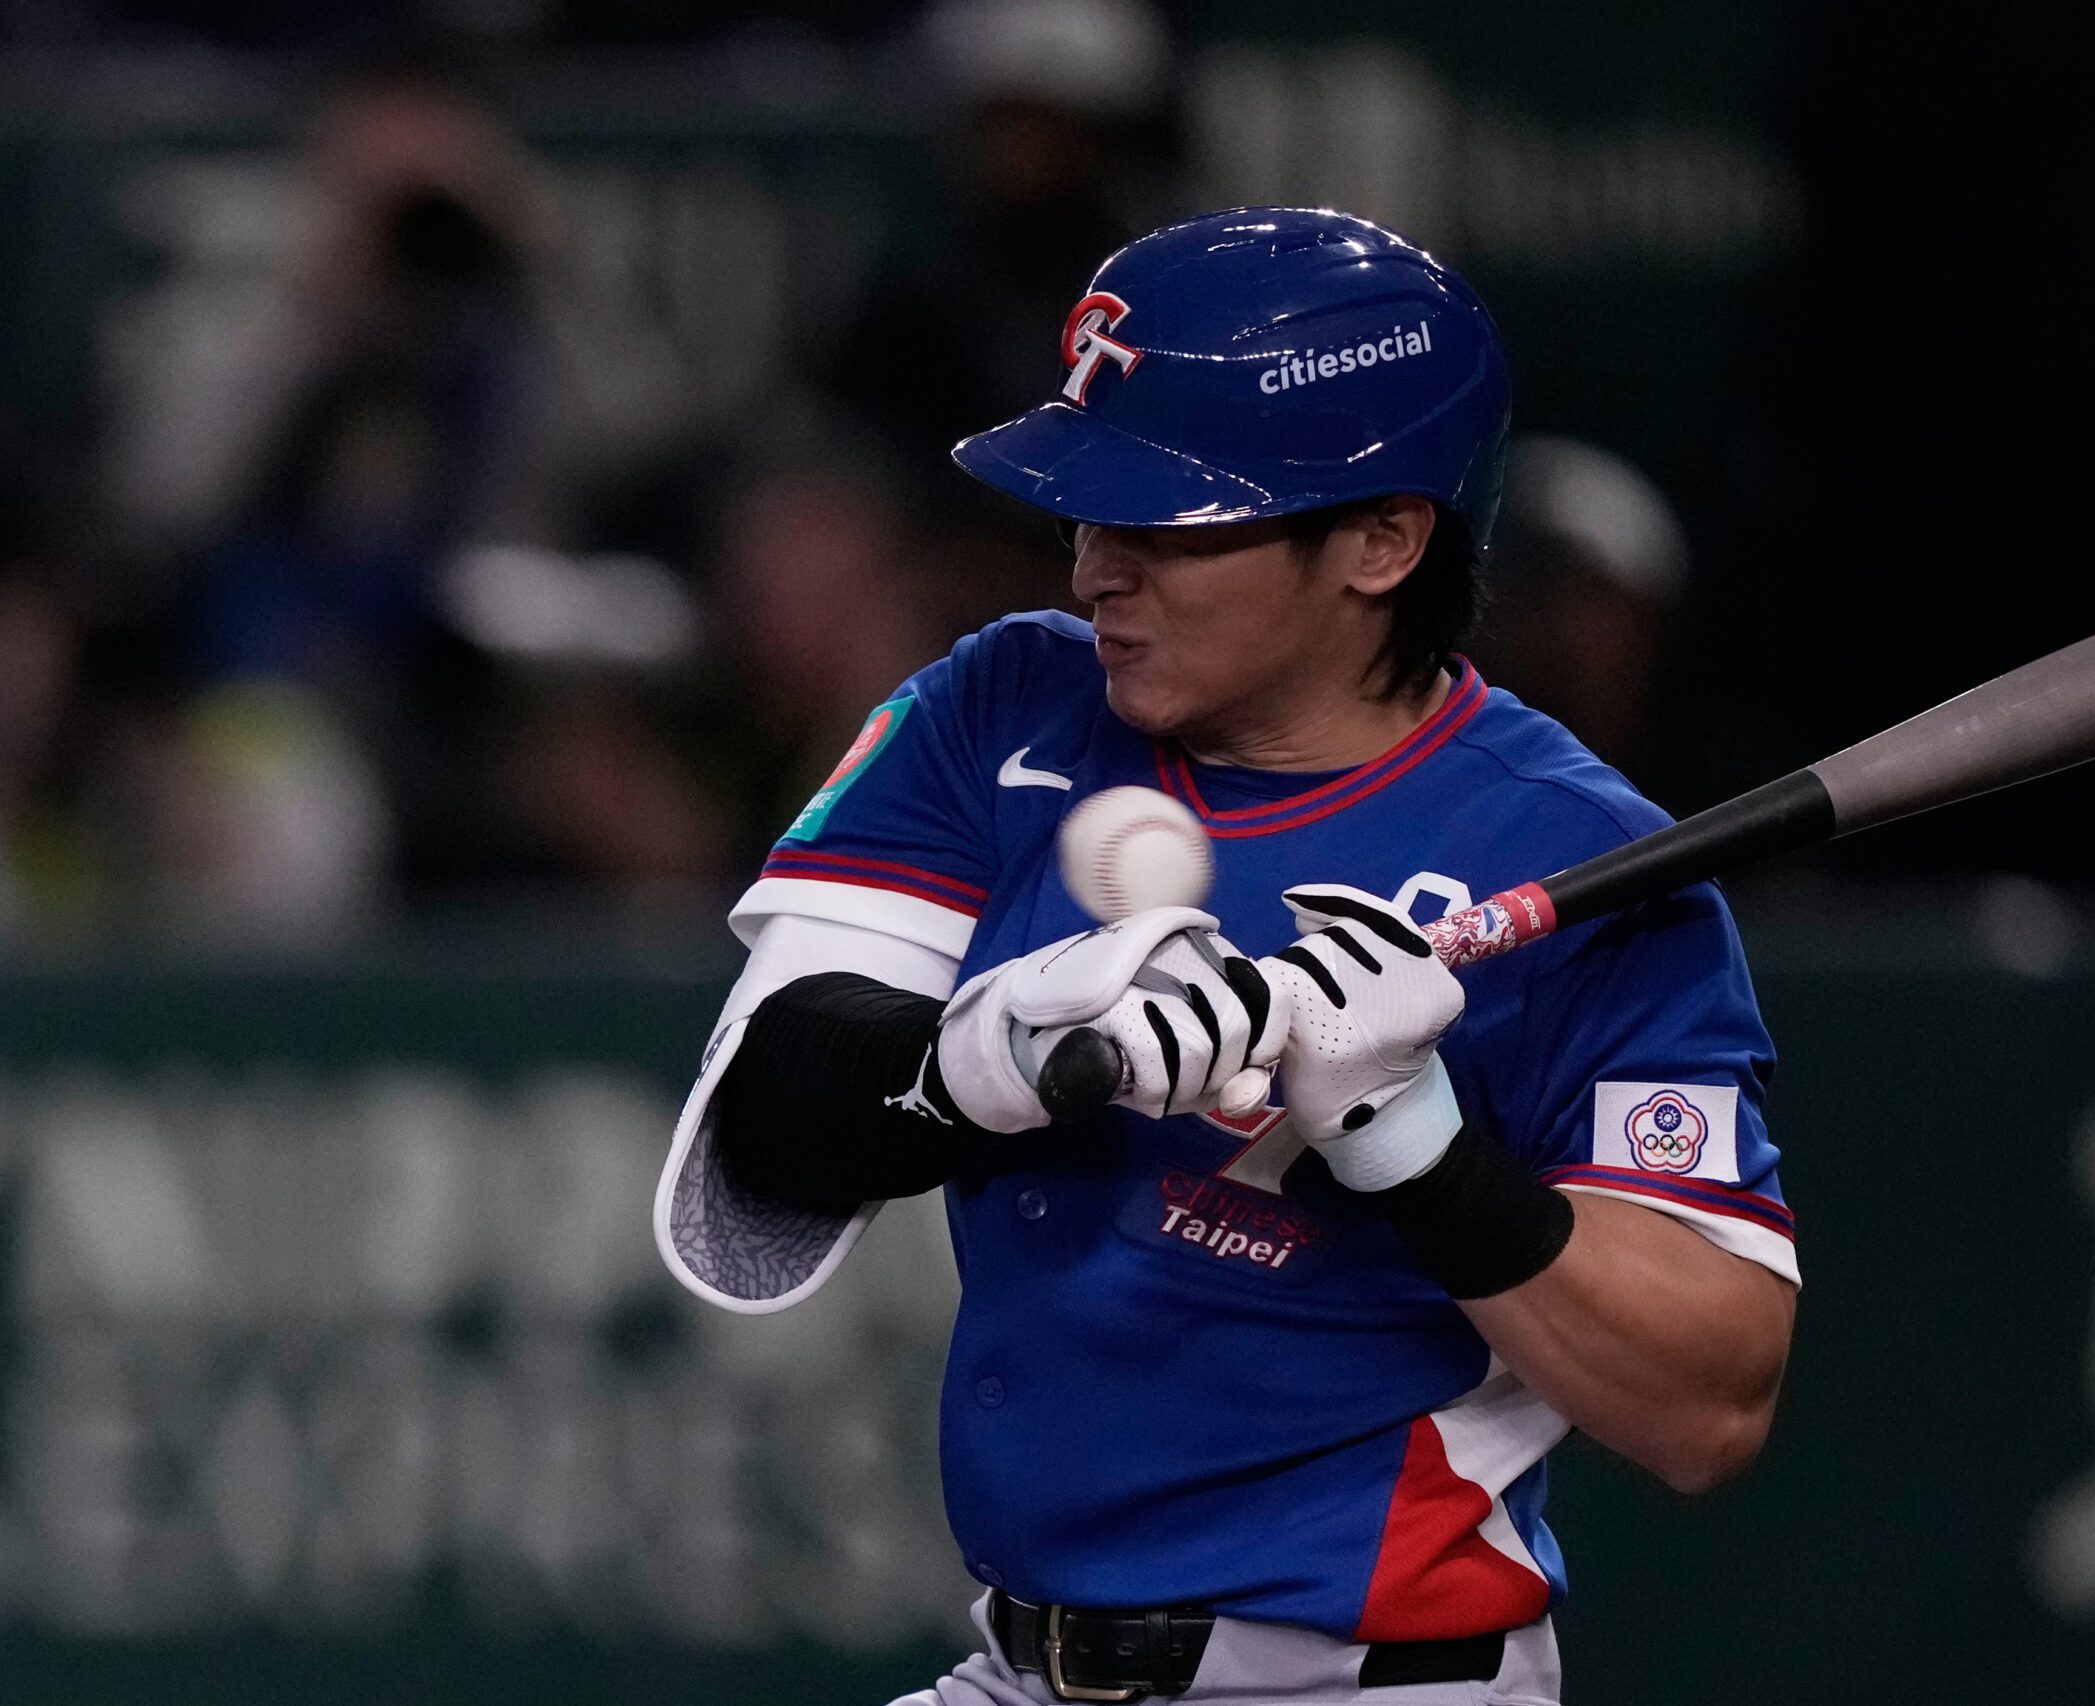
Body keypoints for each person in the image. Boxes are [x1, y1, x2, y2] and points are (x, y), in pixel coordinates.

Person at [655, 208, 1797, 1704]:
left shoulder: (1582, 858)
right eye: (1087, 514)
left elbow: (1709, 1401)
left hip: (1371, 1678)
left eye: (1168, 523)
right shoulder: (1003, 708)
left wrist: (1416, 1143)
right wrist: (998, 1056)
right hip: (1021, 1663)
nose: (1094, 573)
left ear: (1382, 541)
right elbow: (767, 1127)